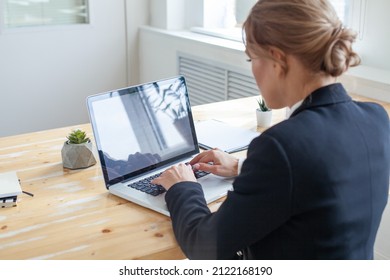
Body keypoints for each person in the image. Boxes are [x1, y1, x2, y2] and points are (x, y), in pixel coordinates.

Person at [152, 0, 390, 259]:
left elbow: (205, 246)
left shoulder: (281, 146)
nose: (252, 69)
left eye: (252, 58)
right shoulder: (377, 119)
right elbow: (317, 181)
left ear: (277, 59)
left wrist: (183, 187)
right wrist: (243, 168)